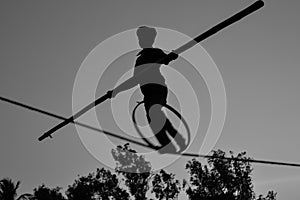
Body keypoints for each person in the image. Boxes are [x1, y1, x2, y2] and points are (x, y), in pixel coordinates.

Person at [107, 26, 186, 153]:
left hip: (157, 88)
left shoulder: (155, 53)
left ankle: (171, 142)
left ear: (150, 39)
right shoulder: (140, 58)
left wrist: (172, 56)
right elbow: (134, 80)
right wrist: (116, 91)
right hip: (148, 93)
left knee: (154, 114)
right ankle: (173, 142)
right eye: (140, 38)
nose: (141, 40)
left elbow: (166, 59)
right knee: (155, 118)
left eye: (143, 38)